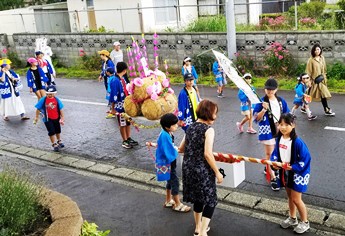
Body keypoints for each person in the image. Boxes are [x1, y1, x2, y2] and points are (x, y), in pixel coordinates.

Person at [179, 99, 224, 236]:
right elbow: (207, 154)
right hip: (202, 170)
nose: (216, 116)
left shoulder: (191, 127)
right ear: (209, 113)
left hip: (188, 168)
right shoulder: (208, 130)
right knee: (210, 200)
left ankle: (198, 228)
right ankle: (203, 232)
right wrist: (217, 172)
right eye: (215, 113)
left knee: (198, 199)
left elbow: (181, 148)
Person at [270, 113, 311, 234]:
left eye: (286, 124)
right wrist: (275, 162)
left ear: (293, 125)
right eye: (281, 124)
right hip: (285, 171)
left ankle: (305, 222)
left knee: (296, 199)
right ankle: (293, 218)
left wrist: (293, 167)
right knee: (289, 196)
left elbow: (305, 159)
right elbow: (275, 153)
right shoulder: (279, 138)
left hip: (298, 173)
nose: (283, 127)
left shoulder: (297, 142)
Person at [253, 78, 289, 191]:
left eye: (272, 90)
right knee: (269, 154)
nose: (270, 91)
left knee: (279, 153)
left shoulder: (281, 101)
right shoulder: (261, 102)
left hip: (280, 130)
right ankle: (273, 177)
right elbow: (256, 119)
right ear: (264, 89)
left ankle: (270, 168)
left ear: (276, 89)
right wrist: (263, 110)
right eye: (268, 89)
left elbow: (287, 114)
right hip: (268, 131)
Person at [156, 113, 191, 212]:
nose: (177, 126)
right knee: (175, 182)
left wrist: (174, 149)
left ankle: (168, 200)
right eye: (174, 124)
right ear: (167, 127)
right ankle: (177, 204)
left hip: (166, 162)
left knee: (170, 181)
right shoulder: (165, 136)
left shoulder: (166, 133)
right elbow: (169, 151)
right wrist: (176, 150)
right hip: (167, 162)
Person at [109, 62, 138, 149]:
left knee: (128, 122)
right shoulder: (115, 80)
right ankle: (124, 140)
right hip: (119, 106)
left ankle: (128, 138)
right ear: (124, 70)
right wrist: (113, 109)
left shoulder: (123, 79)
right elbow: (113, 95)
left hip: (126, 105)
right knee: (122, 124)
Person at [306, 43, 335, 116]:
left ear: (320, 50)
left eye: (318, 49)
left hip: (321, 80)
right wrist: (308, 81)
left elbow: (324, 69)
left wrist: (324, 78)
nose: (317, 51)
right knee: (309, 95)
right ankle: (304, 107)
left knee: (323, 94)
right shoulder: (311, 60)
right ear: (313, 51)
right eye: (315, 50)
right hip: (314, 81)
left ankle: (326, 109)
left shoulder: (322, 58)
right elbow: (308, 71)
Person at [33, 85, 65, 152]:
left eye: (51, 94)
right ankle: (54, 144)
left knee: (58, 130)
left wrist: (62, 117)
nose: (49, 95)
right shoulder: (43, 100)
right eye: (48, 94)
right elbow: (38, 108)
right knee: (51, 131)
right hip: (47, 119)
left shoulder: (56, 100)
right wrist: (36, 117)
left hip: (56, 117)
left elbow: (61, 108)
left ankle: (59, 140)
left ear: (55, 93)